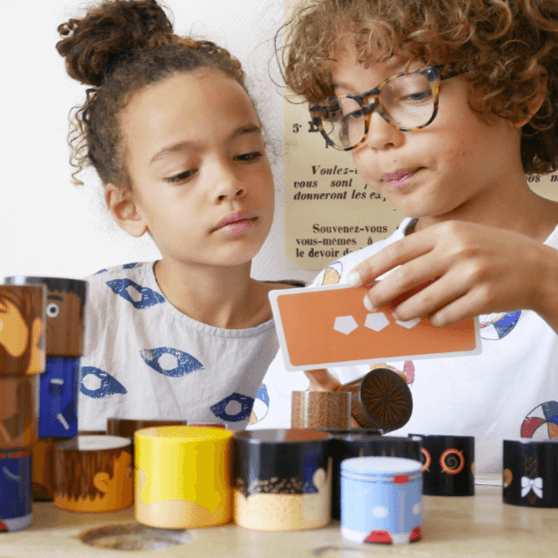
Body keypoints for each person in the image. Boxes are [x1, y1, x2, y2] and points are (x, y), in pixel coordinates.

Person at [252, 0, 558, 474]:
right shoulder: (344, 284)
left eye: (415, 94)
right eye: (350, 109)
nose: (376, 136)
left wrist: (545, 282)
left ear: (519, 94)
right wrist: (333, 444)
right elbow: (271, 479)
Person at [56, 0, 299, 432]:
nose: (229, 183)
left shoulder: (322, 314)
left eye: (247, 154)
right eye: (182, 172)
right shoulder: (80, 320)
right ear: (128, 208)